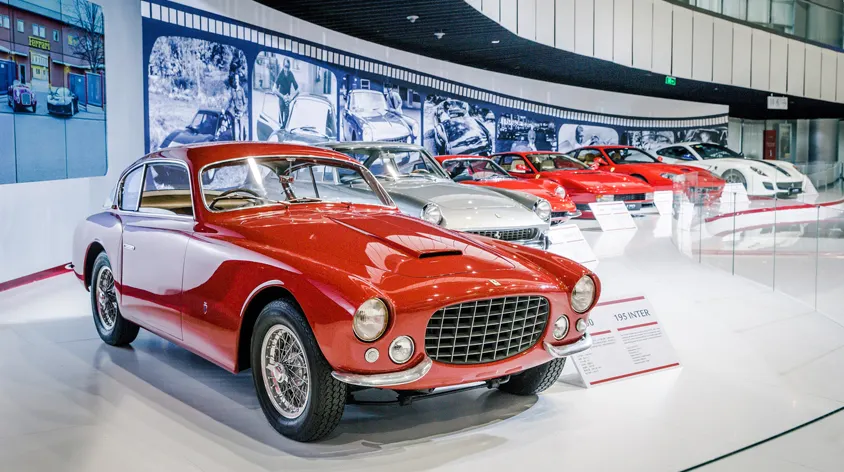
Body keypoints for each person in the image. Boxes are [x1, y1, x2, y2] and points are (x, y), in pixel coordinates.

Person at [274, 58, 299, 128]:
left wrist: (291, 98)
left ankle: (285, 130)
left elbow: (298, 90)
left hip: (288, 99)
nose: (286, 69)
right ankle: (280, 129)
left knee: (287, 119)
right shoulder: (280, 74)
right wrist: (283, 97)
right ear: (283, 66)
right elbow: (274, 89)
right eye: (285, 66)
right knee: (281, 118)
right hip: (281, 98)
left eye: (288, 67)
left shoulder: (291, 75)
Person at [227, 74, 247, 141]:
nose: (236, 81)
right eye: (235, 79)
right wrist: (227, 110)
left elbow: (245, 103)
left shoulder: (241, 90)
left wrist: (242, 112)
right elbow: (229, 102)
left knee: (241, 135)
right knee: (235, 135)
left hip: (241, 114)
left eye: (237, 79)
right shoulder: (232, 90)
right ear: (234, 80)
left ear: (238, 80)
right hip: (234, 115)